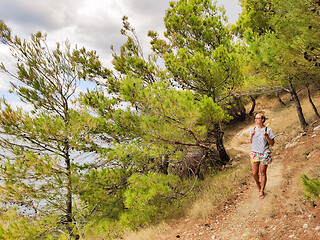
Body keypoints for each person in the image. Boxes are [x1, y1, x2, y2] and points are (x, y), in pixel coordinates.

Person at [250, 113, 275, 199]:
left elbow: (272, 143)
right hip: (254, 153)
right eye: (255, 118)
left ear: (262, 120)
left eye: (258, 118)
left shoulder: (268, 130)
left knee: (263, 172)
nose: (256, 119)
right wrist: (252, 135)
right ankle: (258, 184)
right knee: (254, 173)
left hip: (264, 153)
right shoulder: (253, 129)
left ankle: (262, 191)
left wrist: (266, 136)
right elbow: (251, 141)